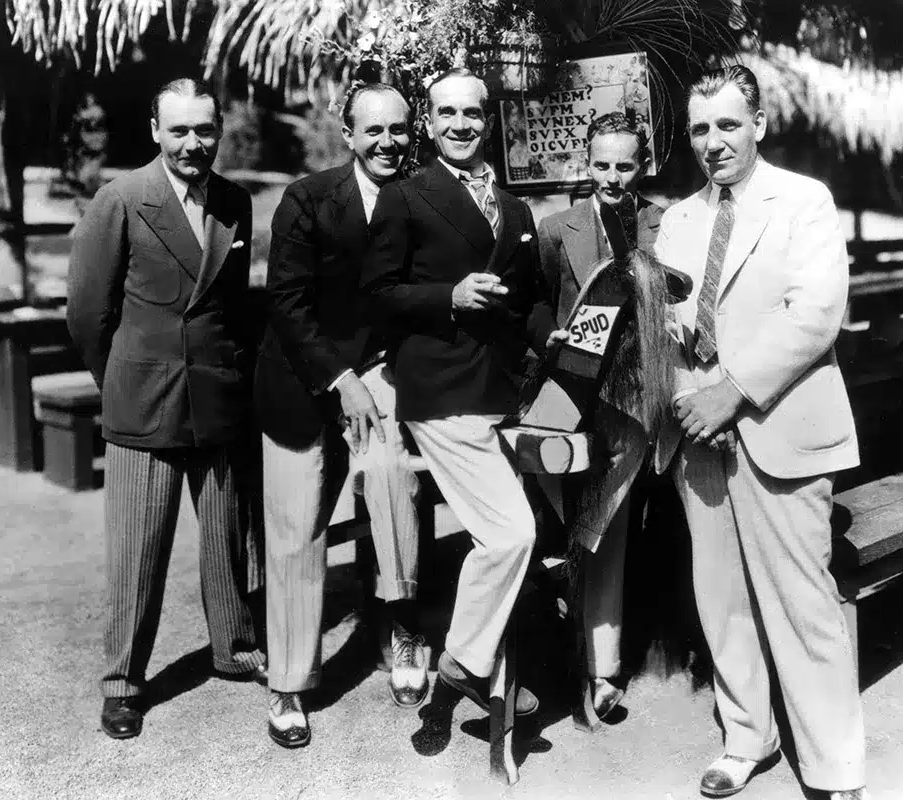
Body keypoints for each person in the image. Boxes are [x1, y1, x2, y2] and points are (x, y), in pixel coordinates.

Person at [654, 65, 868, 800]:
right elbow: (670, 327)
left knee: (803, 602)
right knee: (721, 597)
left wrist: (731, 393)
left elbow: (815, 314)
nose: (713, 142)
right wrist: (693, 396)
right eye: (700, 129)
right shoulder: (677, 220)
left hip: (777, 426)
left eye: (727, 125)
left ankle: (835, 766)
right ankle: (748, 737)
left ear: (759, 123)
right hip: (698, 436)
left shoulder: (803, 202)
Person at [67, 78, 266, 740]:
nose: (193, 144)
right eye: (178, 130)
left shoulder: (236, 202)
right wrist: (120, 380)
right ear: (155, 130)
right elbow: (88, 312)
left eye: (204, 130)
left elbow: (234, 309)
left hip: (217, 399)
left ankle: (233, 649)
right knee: (136, 554)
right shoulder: (121, 200)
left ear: (218, 131)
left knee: (225, 543)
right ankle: (123, 683)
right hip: (143, 403)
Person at [362, 68, 558, 715]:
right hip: (441, 388)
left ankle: (491, 671)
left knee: (493, 535)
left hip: (500, 392)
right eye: (446, 113)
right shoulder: (407, 197)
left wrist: (557, 341)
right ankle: (468, 662)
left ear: (489, 119)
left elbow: (528, 302)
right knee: (510, 534)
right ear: (428, 119)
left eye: (471, 113)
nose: (459, 125)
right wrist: (449, 295)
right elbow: (378, 296)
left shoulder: (518, 209)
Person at [253, 82, 425, 750]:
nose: (387, 142)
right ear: (348, 134)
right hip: (302, 376)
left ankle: (402, 627)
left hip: (376, 370)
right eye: (373, 130)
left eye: (399, 129)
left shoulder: (418, 200)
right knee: (296, 524)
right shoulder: (308, 198)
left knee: (393, 478)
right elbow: (286, 302)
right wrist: (339, 377)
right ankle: (290, 679)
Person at [537, 111, 665, 721]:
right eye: (602, 165)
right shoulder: (556, 228)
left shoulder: (663, 223)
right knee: (591, 517)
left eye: (626, 165)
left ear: (642, 165)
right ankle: (569, 612)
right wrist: (550, 335)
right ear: (586, 165)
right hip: (575, 393)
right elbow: (540, 304)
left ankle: (602, 668)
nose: (613, 177)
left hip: (641, 396)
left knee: (607, 528)